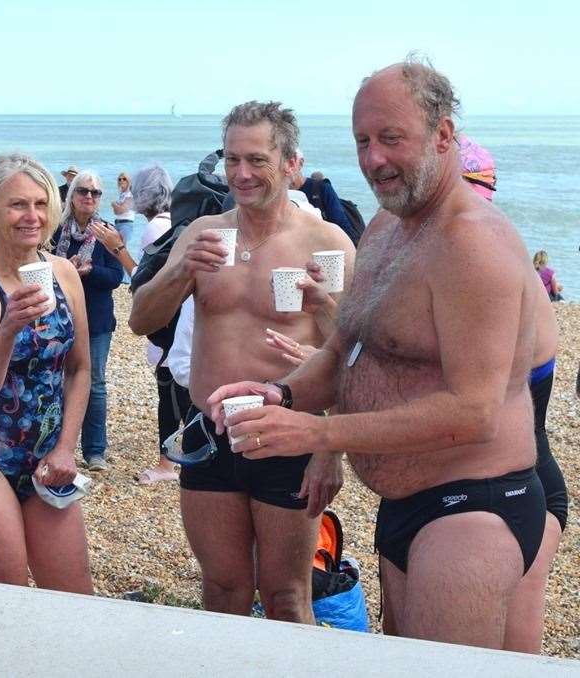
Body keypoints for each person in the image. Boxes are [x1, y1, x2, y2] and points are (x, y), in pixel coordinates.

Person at [209, 60, 545, 649]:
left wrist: (318, 437)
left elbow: (473, 411)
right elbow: (343, 347)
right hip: (403, 506)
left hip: (470, 512)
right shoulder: (389, 228)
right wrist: (282, 395)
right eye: (363, 141)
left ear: (444, 136)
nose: (373, 159)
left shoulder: (471, 245)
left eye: (392, 139)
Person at [128, 101, 355, 620]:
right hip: (209, 432)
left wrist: (330, 448)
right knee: (223, 590)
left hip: (289, 433)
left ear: (290, 163)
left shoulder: (326, 243)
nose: (242, 174)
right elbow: (142, 319)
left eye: (257, 160)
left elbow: (351, 355)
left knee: (287, 596)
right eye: (232, 160)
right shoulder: (202, 233)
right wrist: (179, 269)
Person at [0, 152, 93, 594]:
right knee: (4, 599)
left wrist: (67, 447)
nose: (31, 216)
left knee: (74, 598)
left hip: (49, 457)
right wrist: (8, 327)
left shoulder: (63, 273)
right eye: (17, 205)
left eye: (40, 204)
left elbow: (81, 369)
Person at [457, 136, 566, 654]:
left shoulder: (496, 269)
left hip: (522, 491)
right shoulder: (481, 257)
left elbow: (475, 408)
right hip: (473, 488)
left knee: (510, 657)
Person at [92, 165, 187, 484]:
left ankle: (166, 465)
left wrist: (117, 249)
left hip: (169, 322)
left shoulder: (155, 229)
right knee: (183, 392)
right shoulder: (175, 222)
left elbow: (145, 283)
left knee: (170, 392)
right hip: (183, 319)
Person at [53, 171, 124, 471]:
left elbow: (117, 277)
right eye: (83, 191)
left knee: (94, 384)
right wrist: (64, 271)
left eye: (95, 193)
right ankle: (55, 444)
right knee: (55, 381)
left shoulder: (107, 234)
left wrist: (90, 271)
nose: (89, 197)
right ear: (71, 195)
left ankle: (95, 451)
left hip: (95, 320)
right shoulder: (55, 232)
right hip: (58, 317)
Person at [289, 150, 359, 244]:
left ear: (301, 163)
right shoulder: (277, 194)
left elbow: (341, 225)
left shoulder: (322, 188)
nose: (286, 167)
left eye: (291, 162)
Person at [111, 172, 136, 245]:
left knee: (122, 247)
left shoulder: (130, 194)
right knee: (117, 247)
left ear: (128, 181)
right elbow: (116, 212)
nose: (121, 181)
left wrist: (114, 204)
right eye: (119, 179)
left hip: (126, 224)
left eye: (124, 179)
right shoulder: (122, 195)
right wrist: (117, 206)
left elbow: (121, 210)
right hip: (119, 223)